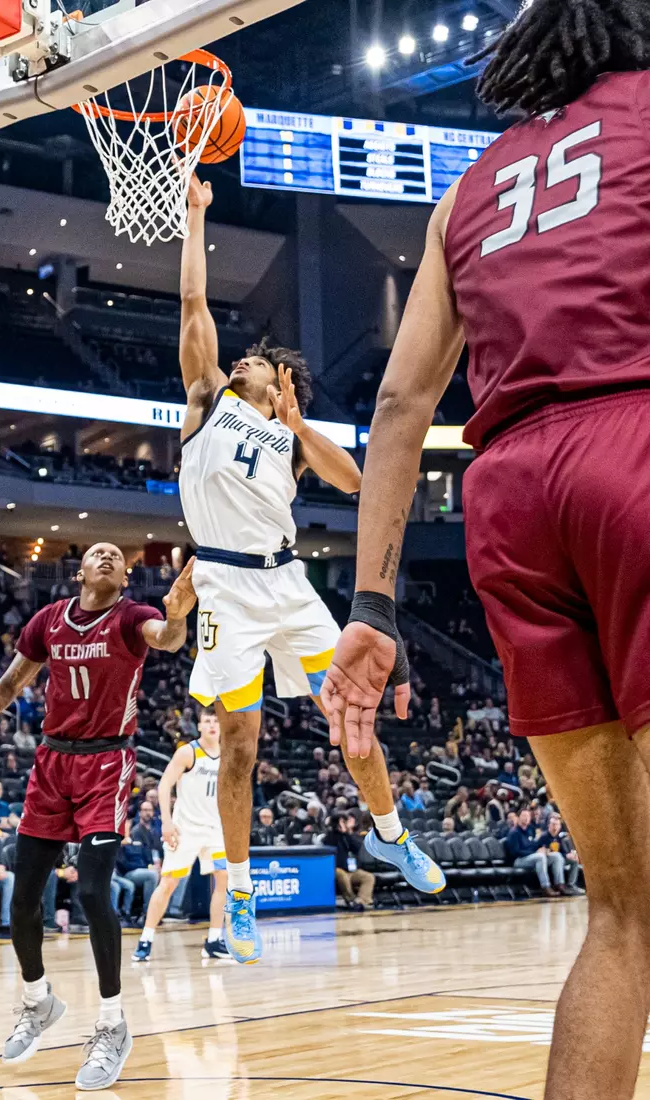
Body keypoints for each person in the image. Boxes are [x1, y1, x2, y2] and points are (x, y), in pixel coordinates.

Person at [322, 7, 650, 1092]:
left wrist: (370, 605)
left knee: (621, 908)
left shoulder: (467, 191)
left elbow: (403, 397)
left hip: (507, 501)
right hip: (634, 445)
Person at [177, 174, 444, 966]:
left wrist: (299, 425)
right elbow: (194, 311)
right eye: (245, 361)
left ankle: (391, 837)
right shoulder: (205, 402)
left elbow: (357, 482)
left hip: (287, 585)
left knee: (351, 714)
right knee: (238, 744)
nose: (245, 363)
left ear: (275, 387)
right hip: (225, 582)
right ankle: (244, 899)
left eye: (258, 364)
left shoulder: (285, 436)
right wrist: (195, 218)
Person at [0, 543, 196, 1089]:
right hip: (52, 763)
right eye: (96, 552)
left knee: (95, 893)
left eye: (115, 556)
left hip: (106, 763)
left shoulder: (131, 618)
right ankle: (37, 1000)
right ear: (78, 571)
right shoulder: (48, 620)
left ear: (124, 578)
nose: (105, 556)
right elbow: (8, 686)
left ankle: (112, 1023)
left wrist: (177, 614)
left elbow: (166, 639)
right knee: (24, 897)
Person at [133, 708, 228, 961]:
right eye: (207, 721)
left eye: (216, 721)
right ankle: (146, 938)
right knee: (168, 884)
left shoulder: (228, 754)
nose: (212, 725)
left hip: (215, 830)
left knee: (223, 881)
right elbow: (164, 785)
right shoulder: (188, 752)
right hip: (185, 829)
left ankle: (215, 939)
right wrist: (166, 821)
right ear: (199, 726)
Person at [326, 813, 375, 912]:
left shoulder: (347, 836)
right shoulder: (330, 837)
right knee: (343, 876)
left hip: (351, 870)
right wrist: (338, 830)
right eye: (343, 821)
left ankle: (361, 900)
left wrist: (348, 833)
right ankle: (351, 900)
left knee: (368, 877)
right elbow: (331, 842)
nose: (345, 824)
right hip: (336, 869)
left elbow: (357, 847)